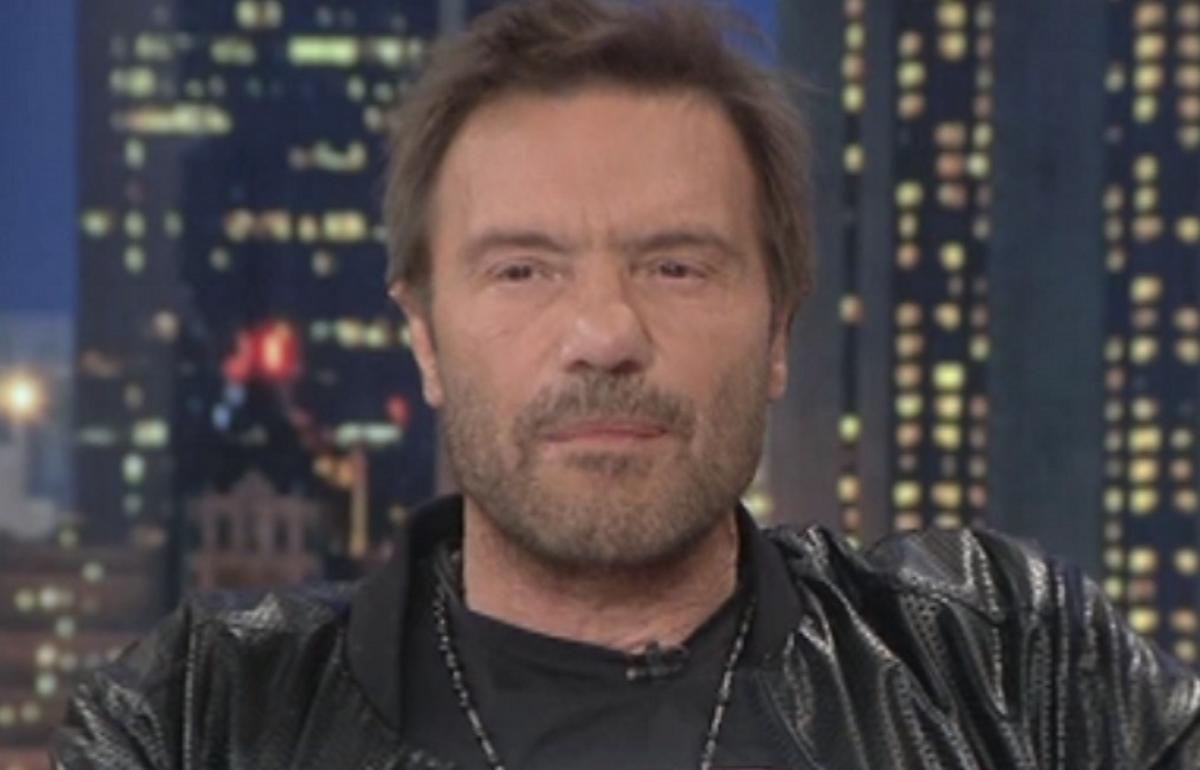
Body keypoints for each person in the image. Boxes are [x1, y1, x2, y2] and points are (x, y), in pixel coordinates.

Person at [54, 0, 1200, 767]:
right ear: (425, 338)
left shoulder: (1011, 662)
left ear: (779, 331)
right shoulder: (199, 715)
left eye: (676, 265)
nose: (604, 333)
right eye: (523, 268)